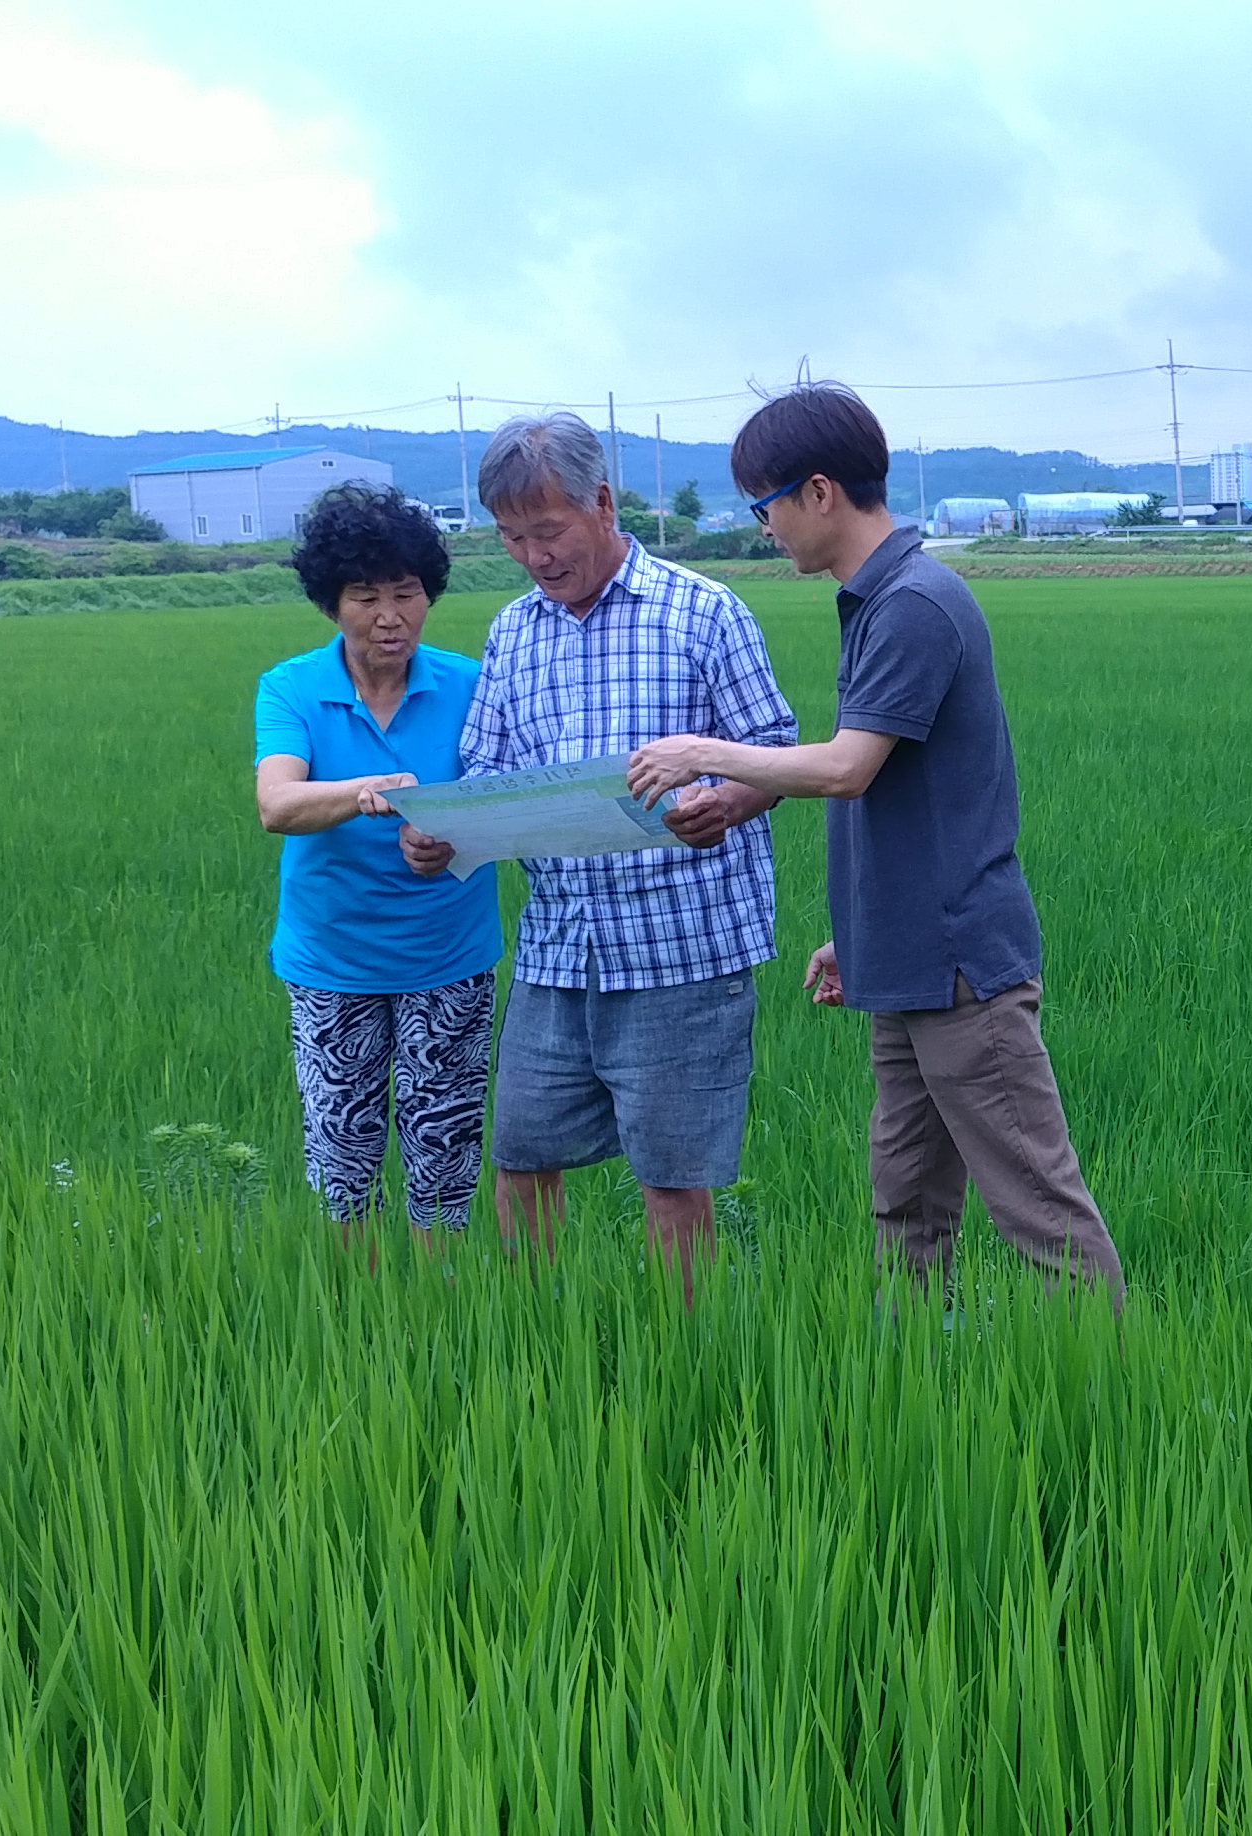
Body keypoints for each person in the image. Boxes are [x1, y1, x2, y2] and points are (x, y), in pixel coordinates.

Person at [625, 384, 1124, 1304]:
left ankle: (1110, 1402)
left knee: (1041, 1215)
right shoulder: (875, 599)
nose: (761, 527)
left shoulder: (914, 604)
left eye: (761, 504)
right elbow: (896, 796)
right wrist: (857, 936)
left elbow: (848, 768)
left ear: (818, 492)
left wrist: (701, 753)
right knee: (905, 1205)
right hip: (905, 964)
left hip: (963, 968)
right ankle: (913, 1383)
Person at [404, 411, 793, 1296]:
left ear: (603, 502)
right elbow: (487, 768)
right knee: (521, 1157)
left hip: (681, 946)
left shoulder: (702, 611)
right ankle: (539, 1338)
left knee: (672, 1180)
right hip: (560, 949)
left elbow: (775, 755)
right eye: (511, 538)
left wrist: (726, 801)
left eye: (548, 531)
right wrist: (445, 831)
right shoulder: (513, 632)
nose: (534, 556)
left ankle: (682, 1355)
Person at [253, 483, 503, 1239]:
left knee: (445, 1158)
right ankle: (357, 1318)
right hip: (334, 962)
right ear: (331, 603)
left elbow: (507, 799)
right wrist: (373, 791)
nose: (389, 616)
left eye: (407, 593)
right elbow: (279, 805)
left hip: (448, 957)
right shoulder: (293, 688)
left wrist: (453, 835)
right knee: (343, 1163)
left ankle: (436, 1310)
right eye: (365, 597)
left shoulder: (472, 684)